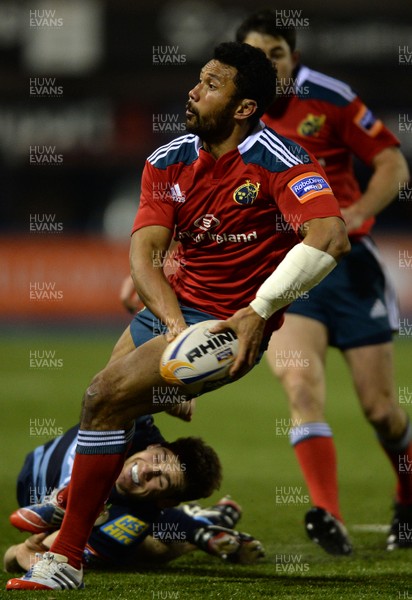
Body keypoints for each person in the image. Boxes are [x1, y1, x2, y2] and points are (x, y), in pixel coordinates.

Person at [6, 41, 350, 590]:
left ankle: (64, 555)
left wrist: (259, 312)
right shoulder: (167, 161)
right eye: (198, 79)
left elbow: (331, 236)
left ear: (243, 107)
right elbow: (143, 254)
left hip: (226, 327)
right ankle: (72, 502)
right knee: (114, 412)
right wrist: (170, 327)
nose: (193, 90)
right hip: (175, 311)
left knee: (103, 399)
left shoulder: (280, 161)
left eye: (212, 84)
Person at [236, 9, 411, 555]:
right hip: (290, 272)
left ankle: (408, 499)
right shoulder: (236, 113)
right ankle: (328, 515)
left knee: (382, 409)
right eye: (255, 56)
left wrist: (359, 211)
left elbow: (391, 163)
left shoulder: (330, 97)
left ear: (294, 58)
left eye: (276, 55)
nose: (267, 67)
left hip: (351, 267)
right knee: (301, 388)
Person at [5, 416, 263, 572]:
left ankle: (203, 526)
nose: (147, 470)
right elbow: (125, 371)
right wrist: (179, 391)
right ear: (155, 444)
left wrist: (25, 553)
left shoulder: (126, 521)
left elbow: (19, 556)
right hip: (33, 477)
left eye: (162, 479)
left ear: (166, 500)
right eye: (159, 458)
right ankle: (207, 522)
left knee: (152, 550)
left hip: (33, 501)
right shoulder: (138, 428)